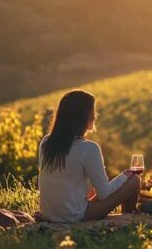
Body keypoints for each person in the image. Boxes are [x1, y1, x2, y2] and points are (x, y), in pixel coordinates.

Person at [38, 90, 140, 223]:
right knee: (134, 181)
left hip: (49, 214)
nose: (95, 116)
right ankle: (128, 219)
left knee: (94, 187)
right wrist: (124, 176)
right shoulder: (89, 148)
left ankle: (127, 216)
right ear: (82, 116)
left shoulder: (46, 142)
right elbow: (104, 193)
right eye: (92, 111)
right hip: (74, 217)